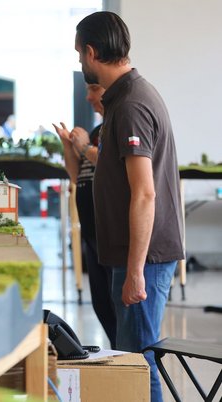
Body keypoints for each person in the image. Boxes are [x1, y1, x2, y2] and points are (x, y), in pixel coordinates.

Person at [75, 12, 184, 402]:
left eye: (79, 54)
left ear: (91, 52)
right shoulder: (122, 99)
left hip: (144, 257)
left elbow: (144, 194)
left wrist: (135, 271)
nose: (80, 62)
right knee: (131, 359)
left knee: (137, 364)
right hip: (134, 254)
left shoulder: (131, 105)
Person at [53, 83, 116, 349]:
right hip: (91, 232)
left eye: (94, 89)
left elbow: (112, 164)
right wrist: (69, 146)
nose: (89, 97)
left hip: (111, 233)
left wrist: (85, 146)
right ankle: (117, 346)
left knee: (116, 303)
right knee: (101, 302)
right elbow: (76, 175)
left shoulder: (117, 128)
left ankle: (126, 352)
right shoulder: (96, 131)